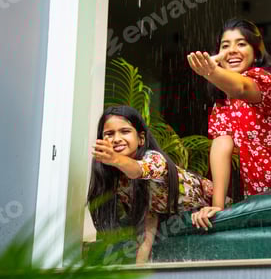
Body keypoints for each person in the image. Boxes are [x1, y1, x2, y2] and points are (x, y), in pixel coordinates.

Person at [87, 105, 228, 264]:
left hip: (213, 205)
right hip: (174, 219)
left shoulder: (154, 159)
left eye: (125, 131)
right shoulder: (115, 179)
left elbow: (138, 170)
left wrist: (115, 159)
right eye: (109, 134)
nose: (117, 138)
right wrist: (143, 254)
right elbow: (149, 211)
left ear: (141, 139)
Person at [187, 18, 271, 229]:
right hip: (260, 195)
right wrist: (218, 208)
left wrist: (210, 71)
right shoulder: (223, 107)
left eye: (241, 43)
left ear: (256, 52)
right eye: (225, 46)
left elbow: (241, 89)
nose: (232, 51)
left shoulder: (263, 79)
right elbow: (221, 147)